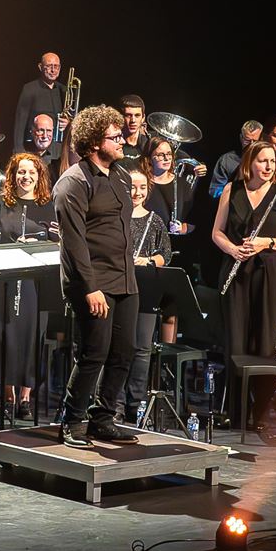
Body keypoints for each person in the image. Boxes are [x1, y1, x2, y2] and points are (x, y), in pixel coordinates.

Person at [55, 105, 140, 446]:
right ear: (93, 143)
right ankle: (72, 421)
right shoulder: (74, 182)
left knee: (124, 352)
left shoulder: (120, 175)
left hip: (124, 278)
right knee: (94, 353)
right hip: (93, 282)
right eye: (114, 136)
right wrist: (90, 288)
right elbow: (74, 242)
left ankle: (102, 418)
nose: (122, 140)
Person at [211, 142, 276, 428]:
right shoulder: (231, 190)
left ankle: (260, 412)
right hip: (236, 270)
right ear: (249, 163)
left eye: (272, 161)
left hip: (269, 272)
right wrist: (232, 249)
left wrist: (266, 242)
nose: (268, 166)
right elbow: (217, 232)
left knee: (264, 340)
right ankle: (236, 412)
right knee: (236, 340)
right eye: (263, 161)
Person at [0, 152, 56, 420]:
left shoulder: (48, 205)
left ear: (39, 176)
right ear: (13, 176)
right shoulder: (0, 203)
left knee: (32, 335)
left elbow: (58, 240)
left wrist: (40, 243)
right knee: (5, 335)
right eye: (21, 172)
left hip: (36, 282)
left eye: (31, 172)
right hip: (6, 278)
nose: (26, 177)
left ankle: (26, 397)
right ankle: (8, 394)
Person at [122, 168, 172, 417]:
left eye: (142, 187)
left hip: (146, 288)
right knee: (120, 345)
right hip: (120, 285)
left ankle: (135, 404)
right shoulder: (116, 217)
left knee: (142, 347)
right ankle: (114, 402)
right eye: (133, 187)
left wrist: (149, 261)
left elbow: (166, 254)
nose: (137, 192)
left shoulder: (155, 220)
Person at [12, 53, 68, 154]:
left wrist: (68, 122)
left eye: (56, 66)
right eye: (49, 66)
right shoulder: (29, 89)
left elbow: (70, 117)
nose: (53, 70)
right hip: (35, 149)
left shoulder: (63, 90)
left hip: (58, 149)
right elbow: (20, 122)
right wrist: (18, 149)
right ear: (40, 67)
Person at [209, 120, 262, 199]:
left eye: (255, 141)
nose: (251, 145)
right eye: (247, 140)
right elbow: (214, 192)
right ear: (241, 138)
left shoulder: (267, 160)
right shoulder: (227, 160)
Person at [116, 94, 149, 170]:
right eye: (128, 115)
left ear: (143, 118)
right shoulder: (113, 145)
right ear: (120, 117)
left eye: (137, 115)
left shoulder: (149, 144)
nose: (133, 120)